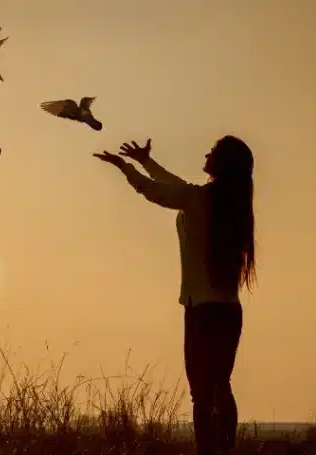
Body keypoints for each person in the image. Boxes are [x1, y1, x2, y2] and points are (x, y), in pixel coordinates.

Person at [94, 137, 256, 455]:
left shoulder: (201, 200)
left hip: (202, 312)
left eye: (213, 152)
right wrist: (146, 162)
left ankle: (208, 451)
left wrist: (125, 167)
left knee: (201, 392)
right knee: (220, 386)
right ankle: (225, 450)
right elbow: (177, 187)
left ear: (222, 164)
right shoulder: (225, 202)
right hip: (227, 311)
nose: (206, 153)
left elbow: (157, 192)